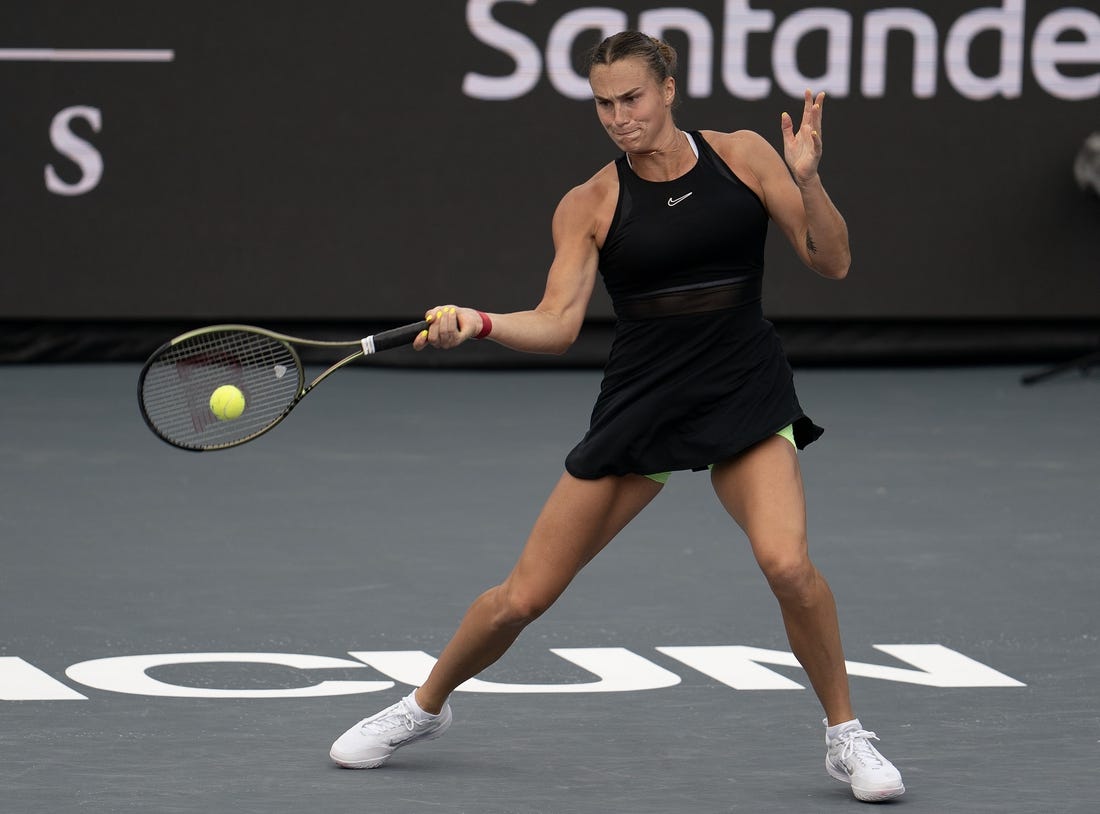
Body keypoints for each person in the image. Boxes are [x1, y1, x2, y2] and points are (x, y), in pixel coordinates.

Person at [330, 31, 905, 803]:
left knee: (788, 566)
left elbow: (830, 260)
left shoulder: (743, 155)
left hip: (742, 388)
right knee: (523, 598)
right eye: (603, 103)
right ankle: (422, 706)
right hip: (644, 401)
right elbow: (558, 322)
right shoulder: (591, 203)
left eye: (631, 98)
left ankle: (845, 738)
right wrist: (483, 321)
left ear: (668, 89)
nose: (618, 116)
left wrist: (809, 180)